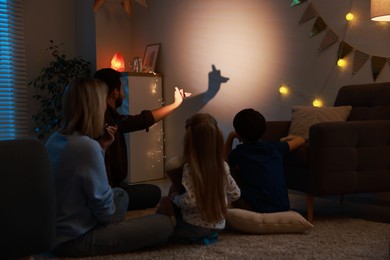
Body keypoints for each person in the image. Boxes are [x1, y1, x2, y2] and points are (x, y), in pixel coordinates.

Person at [45, 78, 173, 257]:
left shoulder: (55, 139)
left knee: (119, 194)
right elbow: (104, 211)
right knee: (163, 225)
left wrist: (102, 147)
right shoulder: (85, 146)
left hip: (56, 232)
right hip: (75, 239)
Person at [93, 68, 191, 210]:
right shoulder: (107, 120)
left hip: (114, 186)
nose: (123, 93)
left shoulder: (109, 117)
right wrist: (175, 104)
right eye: (122, 88)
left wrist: (175, 104)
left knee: (148, 190)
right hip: (108, 192)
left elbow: (141, 120)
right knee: (154, 192)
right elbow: (142, 120)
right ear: (115, 91)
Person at [157, 113, 241, 245]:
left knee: (165, 201)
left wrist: (175, 197)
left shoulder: (190, 168)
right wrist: (219, 201)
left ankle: (172, 226)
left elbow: (189, 201)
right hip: (218, 227)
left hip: (193, 228)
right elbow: (236, 193)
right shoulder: (223, 166)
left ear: (189, 141)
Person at [224, 108, 305, 213]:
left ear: (239, 134)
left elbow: (223, 162)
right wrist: (290, 137)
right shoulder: (275, 148)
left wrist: (231, 136)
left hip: (256, 207)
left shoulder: (239, 153)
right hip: (283, 205)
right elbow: (301, 140)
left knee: (231, 170)